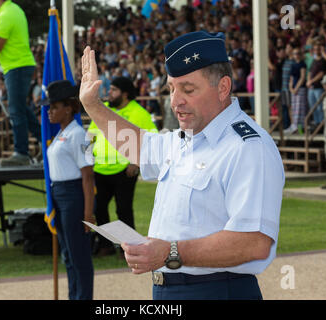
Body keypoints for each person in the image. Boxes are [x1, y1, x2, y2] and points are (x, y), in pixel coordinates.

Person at [79, 31, 285, 300]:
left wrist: (170, 251)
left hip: (218, 290)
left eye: (188, 89)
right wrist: (92, 105)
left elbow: (255, 243)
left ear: (223, 88)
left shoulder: (248, 147)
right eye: (171, 89)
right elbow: (137, 146)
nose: (175, 101)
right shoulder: (187, 138)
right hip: (170, 289)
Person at [87, 76, 157, 257]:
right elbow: (90, 136)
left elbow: (152, 140)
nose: (109, 93)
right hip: (100, 169)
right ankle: (106, 244)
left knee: (123, 209)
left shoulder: (139, 113)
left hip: (124, 170)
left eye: (114, 90)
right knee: (98, 209)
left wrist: (136, 162)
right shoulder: (104, 111)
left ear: (125, 94)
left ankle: (130, 247)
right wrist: (87, 158)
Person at [38, 80, 95, 300]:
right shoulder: (62, 133)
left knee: (79, 255)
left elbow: (88, 175)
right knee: (68, 255)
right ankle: (74, 296)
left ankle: (83, 297)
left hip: (74, 195)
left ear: (68, 108)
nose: (49, 112)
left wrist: (88, 212)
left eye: (54, 107)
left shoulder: (79, 134)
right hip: (59, 194)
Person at [0, 0, 41, 166]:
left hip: (16, 66)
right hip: (20, 65)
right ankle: (45, 140)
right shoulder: (13, 9)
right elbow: (3, 29)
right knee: (21, 109)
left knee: (16, 110)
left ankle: (21, 153)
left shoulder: (4, 14)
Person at [285, 47, 307, 135]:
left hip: (300, 89)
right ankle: (295, 127)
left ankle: (299, 129)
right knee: (294, 109)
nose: (296, 55)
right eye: (295, 54)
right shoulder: (293, 64)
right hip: (293, 89)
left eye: (298, 53)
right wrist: (291, 88)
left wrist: (296, 88)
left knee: (300, 110)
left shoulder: (302, 64)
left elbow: (302, 77)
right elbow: (291, 78)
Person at [307, 42, 326, 126]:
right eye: (315, 49)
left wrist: (311, 81)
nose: (316, 51)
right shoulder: (314, 60)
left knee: (320, 107)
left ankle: (321, 124)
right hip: (311, 87)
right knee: (313, 107)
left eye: (318, 49)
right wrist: (308, 81)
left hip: (319, 87)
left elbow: (321, 73)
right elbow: (310, 71)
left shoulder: (323, 60)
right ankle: (317, 123)